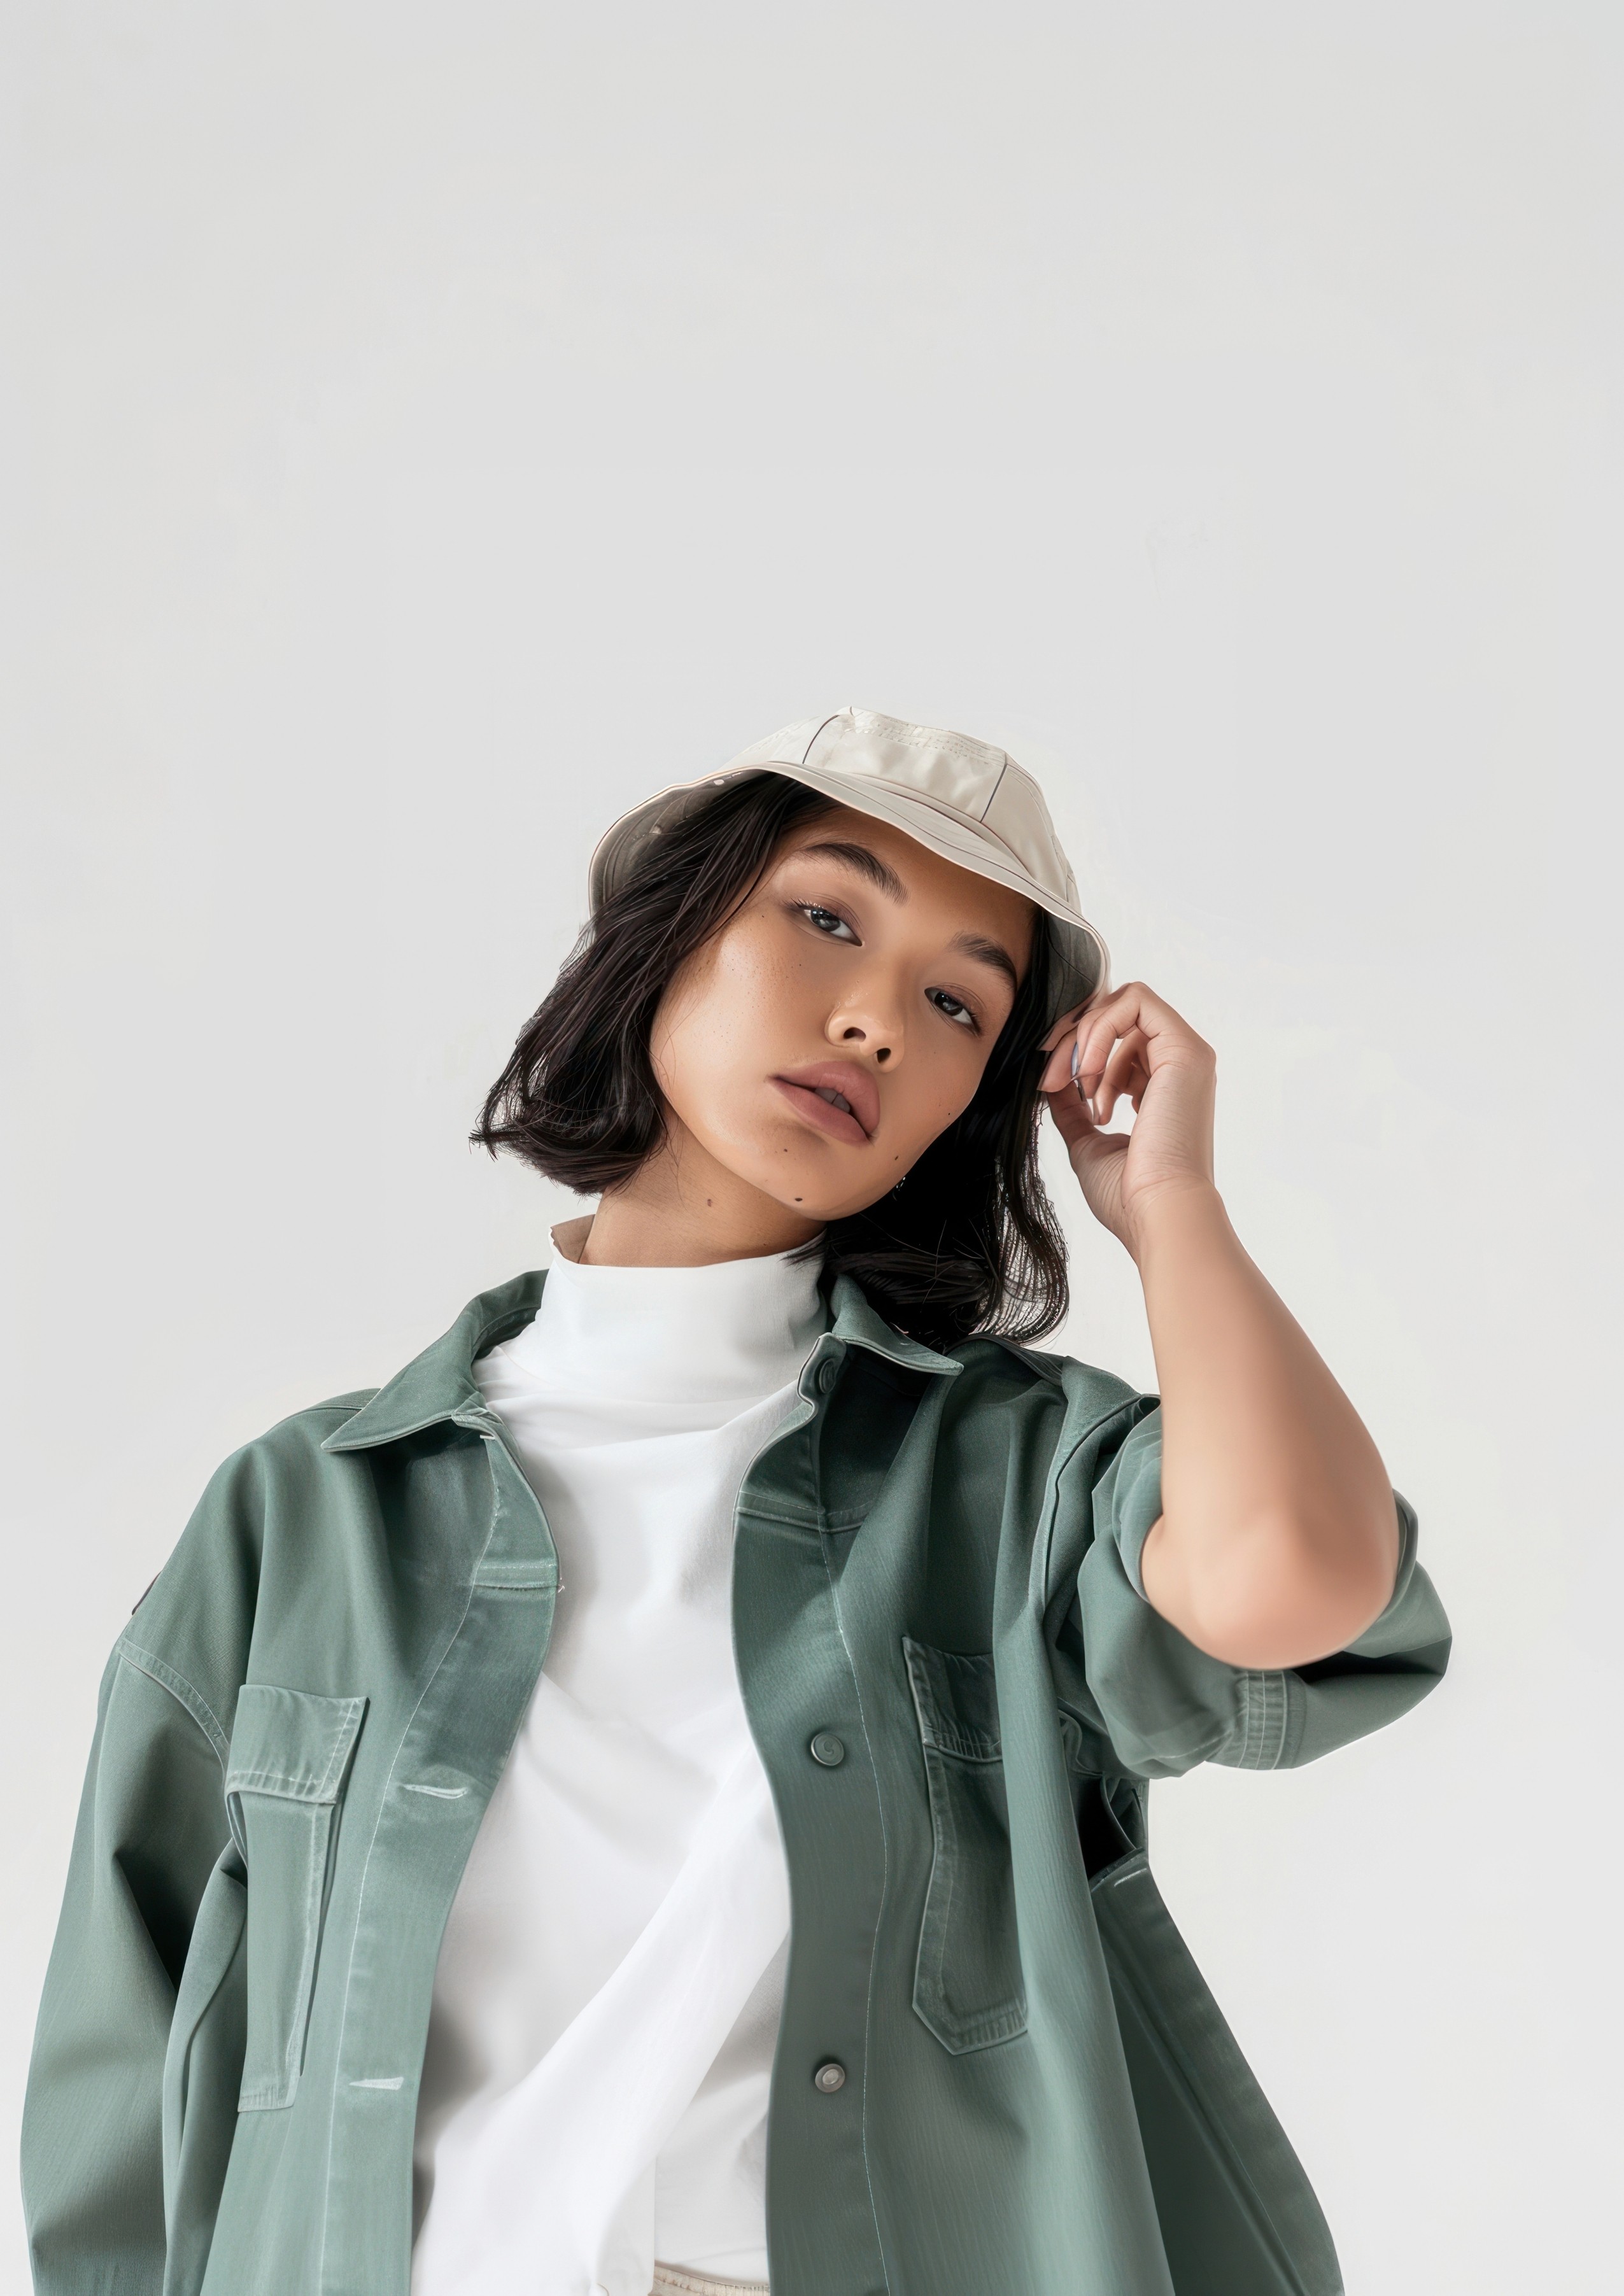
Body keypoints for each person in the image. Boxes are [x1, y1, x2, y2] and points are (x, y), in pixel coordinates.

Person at [21, 707, 1450, 2296]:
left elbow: (1293, 1581)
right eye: (825, 917)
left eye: (957, 1004)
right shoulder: (305, 1511)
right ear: (672, 929)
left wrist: (1169, 1204)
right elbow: (120, 2074)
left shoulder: (1012, 1480)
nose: (874, 1021)